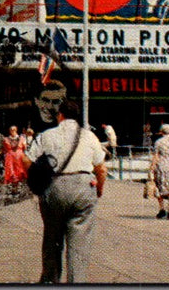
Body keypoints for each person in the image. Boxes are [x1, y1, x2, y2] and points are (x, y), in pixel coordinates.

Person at [23, 100, 107, 284]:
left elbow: (26, 159)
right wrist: (99, 189)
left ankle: (50, 280)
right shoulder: (89, 136)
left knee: (52, 238)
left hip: (55, 186)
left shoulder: (47, 135)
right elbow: (101, 169)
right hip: (83, 188)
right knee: (80, 242)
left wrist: (35, 183)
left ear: (60, 115)